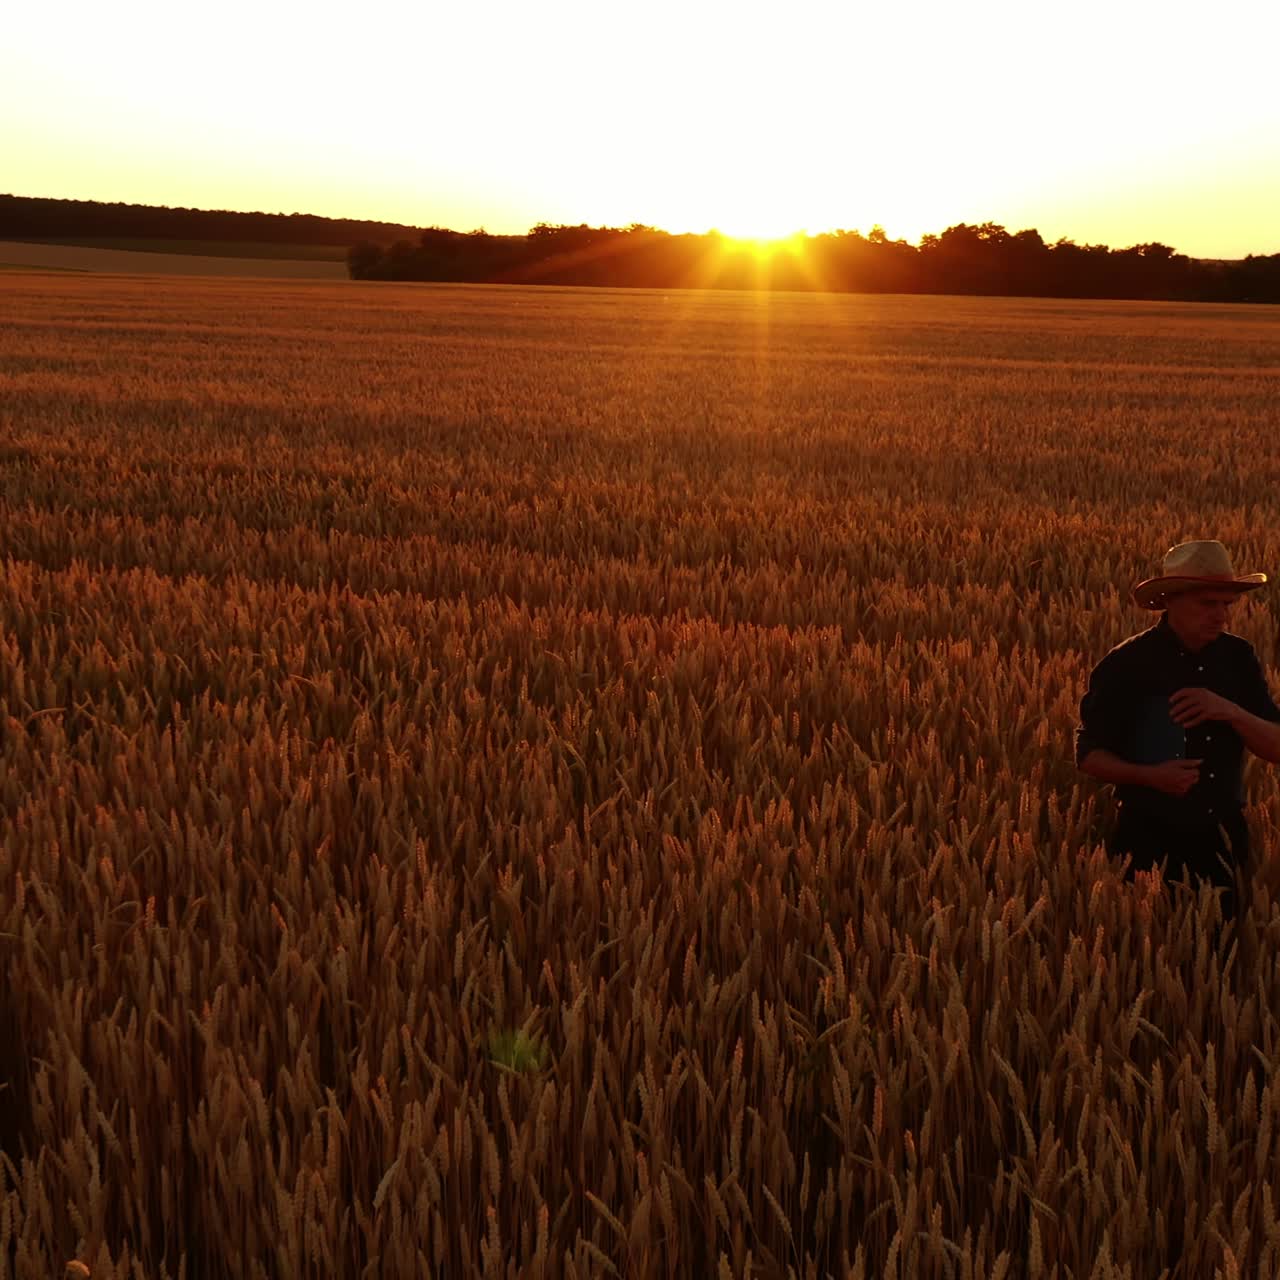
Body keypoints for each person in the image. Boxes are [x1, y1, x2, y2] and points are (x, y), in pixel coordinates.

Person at [1076, 540, 1280, 918]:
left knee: (1218, 961)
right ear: (1170, 600)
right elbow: (1089, 756)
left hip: (1223, 837)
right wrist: (1149, 776)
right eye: (1208, 604)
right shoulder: (1126, 665)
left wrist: (1231, 712)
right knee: (1143, 952)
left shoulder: (1239, 659)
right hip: (1146, 840)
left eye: (1226, 604)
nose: (1221, 616)